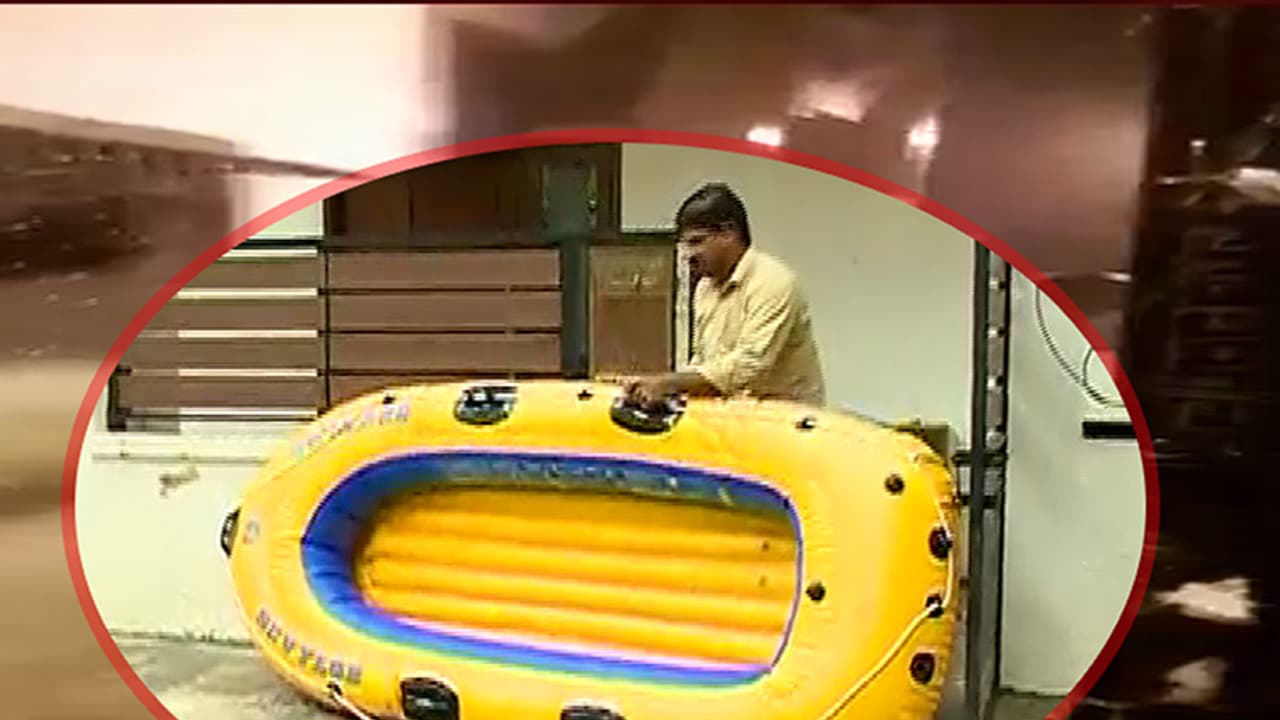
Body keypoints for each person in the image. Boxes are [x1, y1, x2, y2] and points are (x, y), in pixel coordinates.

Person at [623, 182, 826, 408]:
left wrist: (669, 383)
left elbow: (750, 365)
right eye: (685, 245)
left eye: (696, 242)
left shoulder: (772, 281)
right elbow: (703, 362)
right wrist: (663, 390)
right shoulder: (705, 287)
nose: (688, 255)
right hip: (731, 416)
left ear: (728, 233)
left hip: (786, 419)